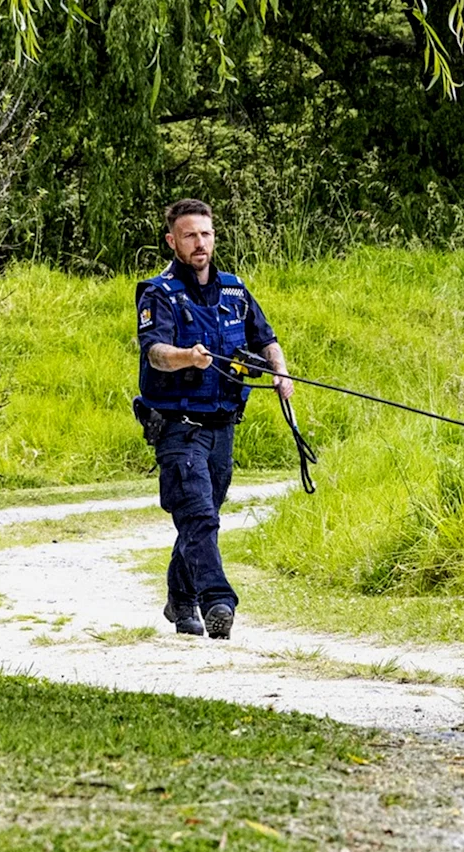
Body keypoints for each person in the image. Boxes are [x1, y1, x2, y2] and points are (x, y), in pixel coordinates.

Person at [135, 199, 293, 638]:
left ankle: (179, 600)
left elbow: (266, 339)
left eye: (205, 234)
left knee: (202, 516)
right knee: (199, 515)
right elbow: (156, 354)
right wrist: (188, 357)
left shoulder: (235, 291)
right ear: (172, 241)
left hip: (223, 424)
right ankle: (218, 602)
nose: (199, 243)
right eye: (189, 235)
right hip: (177, 426)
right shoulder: (159, 293)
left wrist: (279, 371)